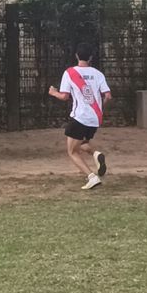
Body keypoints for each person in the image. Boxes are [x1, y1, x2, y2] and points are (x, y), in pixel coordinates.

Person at [48, 42, 112, 190]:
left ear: (76, 55)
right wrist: (101, 108)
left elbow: (64, 96)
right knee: (81, 142)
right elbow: (108, 96)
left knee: (72, 151)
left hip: (80, 117)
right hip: (95, 118)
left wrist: (53, 93)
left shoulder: (70, 72)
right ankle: (96, 154)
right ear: (91, 57)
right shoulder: (98, 74)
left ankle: (91, 177)